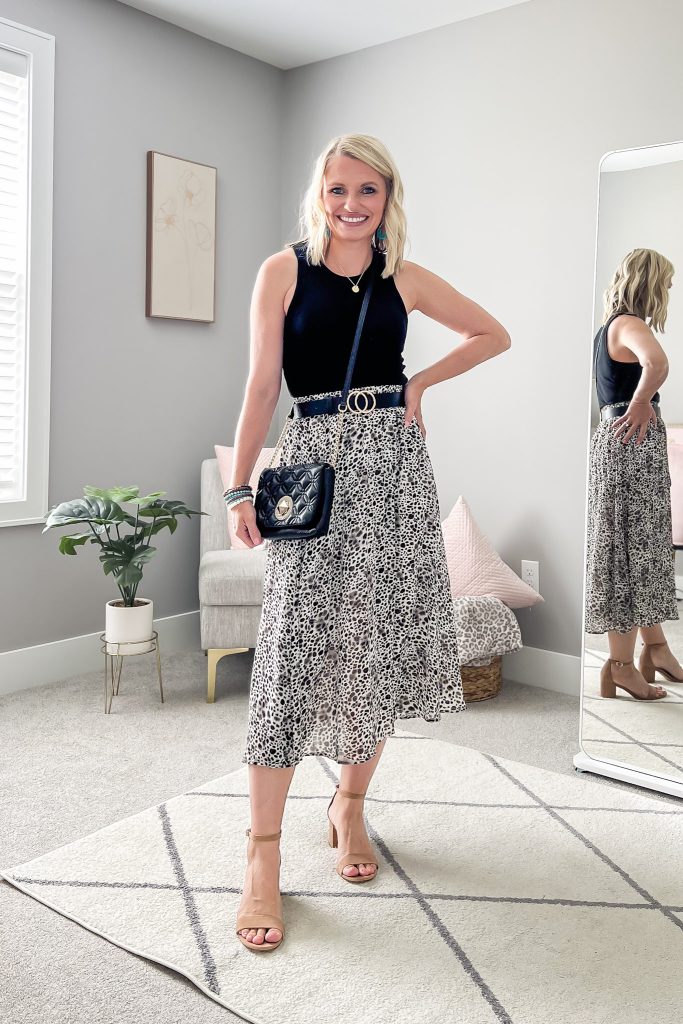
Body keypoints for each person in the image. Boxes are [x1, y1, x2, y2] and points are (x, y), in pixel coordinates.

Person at [224, 133, 511, 952]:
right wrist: (239, 485)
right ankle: (262, 853)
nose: (351, 205)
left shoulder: (404, 280)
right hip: (312, 469)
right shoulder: (282, 272)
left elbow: (491, 334)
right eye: (338, 188)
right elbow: (257, 384)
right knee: (289, 653)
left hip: (393, 471)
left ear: (388, 198)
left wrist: (417, 383)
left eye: (368, 191)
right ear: (319, 192)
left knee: (374, 647)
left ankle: (349, 807)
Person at [585, 247, 681, 700]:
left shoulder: (608, 328)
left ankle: (654, 649)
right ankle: (621, 665)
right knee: (630, 553)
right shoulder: (630, 324)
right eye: (664, 283)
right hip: (631, 444)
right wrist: (643, 401)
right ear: (649, 282)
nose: (667, 291)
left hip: (617, 442)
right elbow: (657, 364)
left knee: (639, 549)